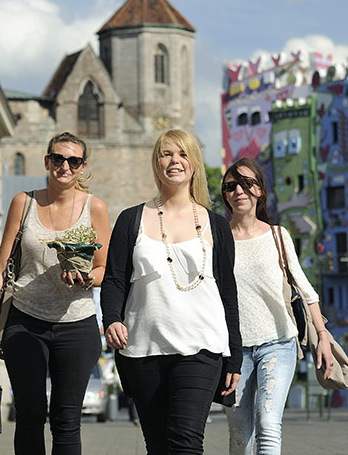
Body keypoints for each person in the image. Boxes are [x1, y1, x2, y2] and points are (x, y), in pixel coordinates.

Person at [101, 129, 242, 455]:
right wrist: (111, 319)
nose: (174, 161)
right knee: (159, 446)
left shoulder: (216, 224)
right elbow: (114, 280)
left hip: (201, 346)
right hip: (143, 347)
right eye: (166, 154)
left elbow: (228, 294)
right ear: (156, 163)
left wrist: (234, 356)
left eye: (182, 154)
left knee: (185, 441)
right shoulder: (130, 219)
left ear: (194, 164)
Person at [0, 132, 111, 455]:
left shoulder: (96, 208)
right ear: (47, 161)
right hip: (25, 322)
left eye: (73, 161)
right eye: (58, 159)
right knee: (30, 417)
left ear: (82, 167)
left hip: (76, 324)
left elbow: (107, 269)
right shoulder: (24, 202)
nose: (65, 166)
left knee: (66, 421)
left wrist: (87, 278)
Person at [220, 158, 334, 455]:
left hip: (278, 343)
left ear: (260, 190)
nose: (239, 191)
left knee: (268, 424)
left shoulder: (278, 236)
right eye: (231, 186)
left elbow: (306, 290)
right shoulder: (217, 240)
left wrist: (322, 337)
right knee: (239, 438)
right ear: (225, 195)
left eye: (247, 183)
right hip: (233, 352)